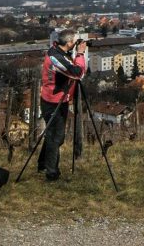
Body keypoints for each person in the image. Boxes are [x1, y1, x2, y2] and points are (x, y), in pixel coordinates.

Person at [37, 30, 87, 181]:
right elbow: (77, 73)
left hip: (57, 99)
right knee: (56, 137)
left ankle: (43, 164)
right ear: (69, 43)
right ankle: (51, 173)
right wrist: (80, 54)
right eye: (74, 41)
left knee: (52, 134)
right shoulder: (55, 58)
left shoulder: (56, 50)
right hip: (53, 102)